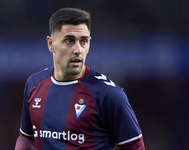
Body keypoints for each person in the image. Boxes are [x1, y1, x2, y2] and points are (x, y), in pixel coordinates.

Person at [15, 7, 145, 150]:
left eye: (83, 41)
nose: (78, 49)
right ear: (51, 44)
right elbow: (26, 137)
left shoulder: (109, 94)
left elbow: (135, 147)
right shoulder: (34, 84)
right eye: (69, 41)